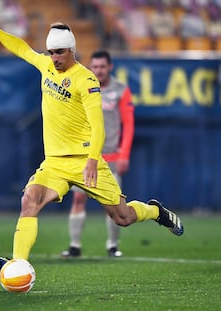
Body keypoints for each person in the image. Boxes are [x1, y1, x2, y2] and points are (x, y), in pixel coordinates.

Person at [0, 8, 184, 276]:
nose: (55, 57)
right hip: (55, 163)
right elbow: (22, 49)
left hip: (85, 160)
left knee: (123, 217)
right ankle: (19, 265)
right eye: (51, 52)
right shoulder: (46, 65)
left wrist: (93, 160)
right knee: (30, 201)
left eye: (59, 52)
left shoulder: (87, 80)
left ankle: (155, 212)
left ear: (71, 49)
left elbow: (98, 127)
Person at [61, 50, 135, 258]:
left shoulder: (120, 90)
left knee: (113, 203)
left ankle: (113, 245)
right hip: (85, 157)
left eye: (102, 66)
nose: (99, 70)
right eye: (95, 67)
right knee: (78, 199)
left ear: (110, 67)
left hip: (110, 156)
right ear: (90, 67)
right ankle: (74, 246)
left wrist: (124, 154)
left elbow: (128, 124)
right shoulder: (82, 85)